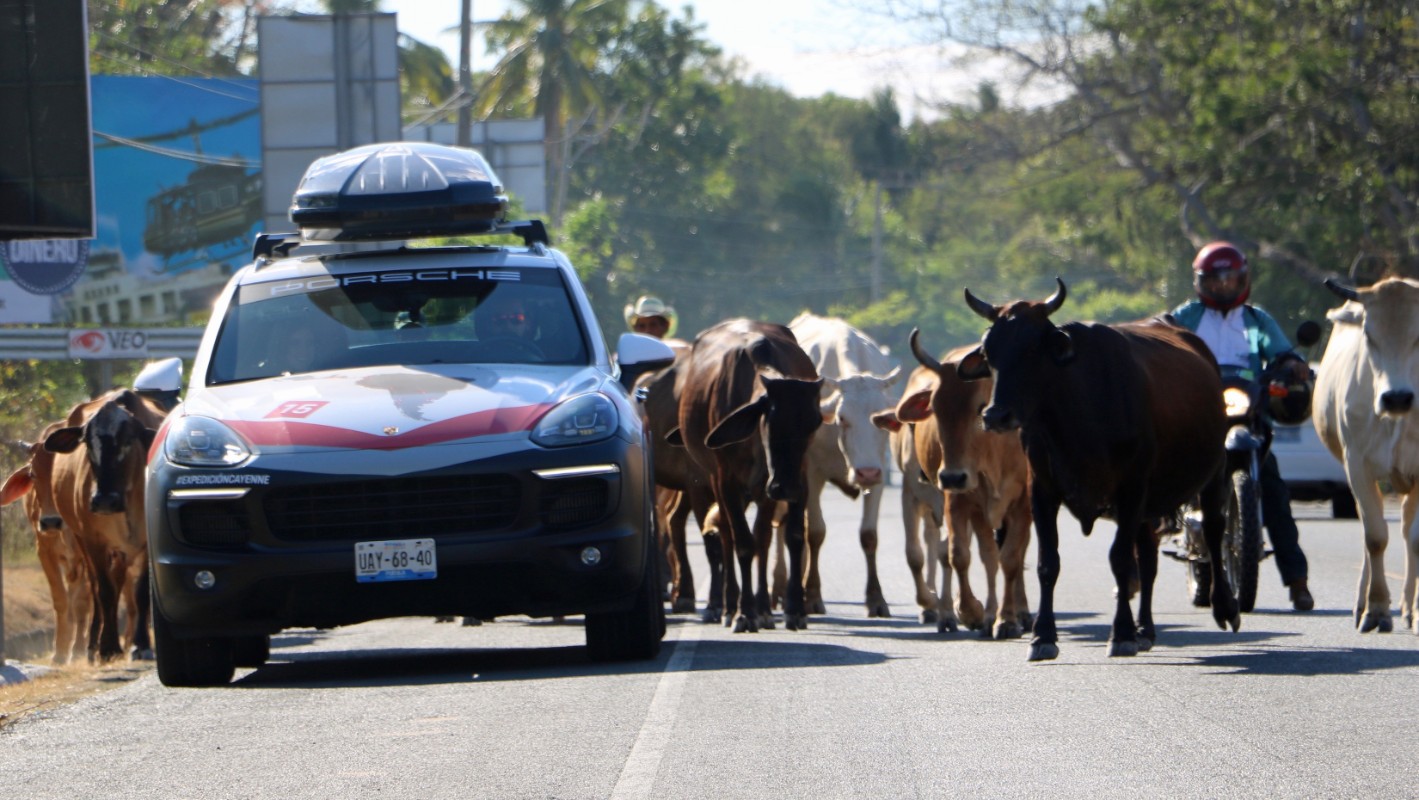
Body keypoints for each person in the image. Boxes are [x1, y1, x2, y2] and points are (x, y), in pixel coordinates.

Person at [1171, 241, 1314, 611]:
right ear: (1201, 281)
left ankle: (1297, 580)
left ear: (1243, 279)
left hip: (1248, 413)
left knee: (1275, 493)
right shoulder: (1186, 317)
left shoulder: (1256, 320)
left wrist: (1292, 362)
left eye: (1230, 279)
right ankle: (1137, 568)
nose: (1223, 286)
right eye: (1215, 280)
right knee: (1157, 476)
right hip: (1197, 412)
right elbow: (1164, 340)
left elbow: (1280, 349)